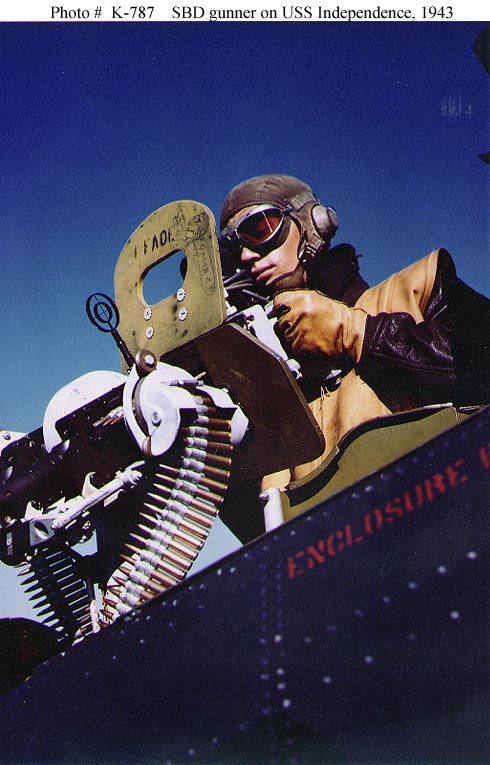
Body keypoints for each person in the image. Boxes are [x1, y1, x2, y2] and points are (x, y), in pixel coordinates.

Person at [219, 174, 490, 483]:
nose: (246, 256)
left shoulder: (417, 287)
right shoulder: (263, 377)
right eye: (234, 250)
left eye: (259, 229)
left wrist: (356, 332)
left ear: (313, 224)